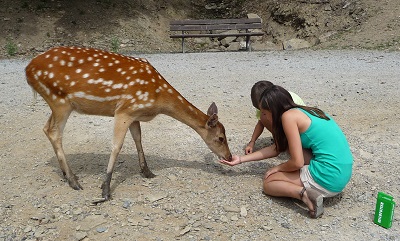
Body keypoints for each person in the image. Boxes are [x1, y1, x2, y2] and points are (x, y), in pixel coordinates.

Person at [221, 83, 353, 218]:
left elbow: (297, 162)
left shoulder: (288, 118)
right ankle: (311, 183)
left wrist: (277, 168)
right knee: (292, 147)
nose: (264, 117)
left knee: (270, 183)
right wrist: (241, 159)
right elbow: (278, 148)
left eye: (265, 113)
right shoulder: (307, 110)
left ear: (274, 110)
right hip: (343, 172)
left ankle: (306, 195)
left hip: (329, 178)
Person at [246, 81, 305, 154]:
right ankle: (281, 140)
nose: (262, 111)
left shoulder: (287, 104)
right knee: (263, 117)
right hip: (284, 122)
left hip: (299, 129)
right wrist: (252, 142)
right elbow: (260, 123)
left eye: (264, 110)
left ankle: (291, 142)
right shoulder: (264, 105)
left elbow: (297, 163)